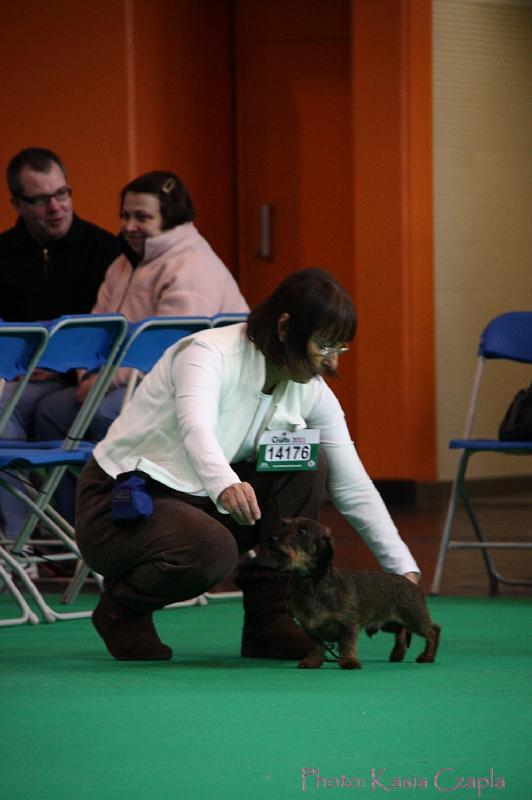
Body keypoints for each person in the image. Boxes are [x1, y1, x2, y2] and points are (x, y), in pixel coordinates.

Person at [75, 268, 420, 663]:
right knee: (212, 548)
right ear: (286, 328)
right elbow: (196, 427)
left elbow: (353, 485)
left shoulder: (311, 390)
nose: (330, 361)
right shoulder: (207, 353)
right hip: (119, 504)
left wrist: (402, 570)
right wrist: (224, 483)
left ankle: (270, 620)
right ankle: (122, 611)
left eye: (340, 349)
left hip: (202, 503)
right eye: (324, 344)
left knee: (308, 463)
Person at [34, 170, 249, 521]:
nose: (129, 225)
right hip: (123, 379)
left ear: (171, 220)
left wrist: (99, 382)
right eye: (125, 215)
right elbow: (95, 327)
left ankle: (135, 516)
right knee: (49, 411)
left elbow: (167, 353)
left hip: (192, 386)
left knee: (106, 413)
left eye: (142, 217)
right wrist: (87, 373)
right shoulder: (124, 262)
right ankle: (79, 522)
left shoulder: (191, 267)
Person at [0, 147, 119, 544]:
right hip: (19, 378)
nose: (56, 207)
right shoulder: (3, 253)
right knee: (2, 409)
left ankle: (30, 539)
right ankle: (23, 541)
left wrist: (66, 367)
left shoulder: (106, 251)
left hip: (86, 377)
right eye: (40, 199)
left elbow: (118, 331)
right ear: (17, 204)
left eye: (62, 193)